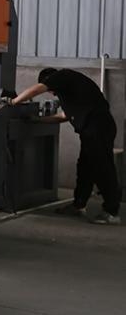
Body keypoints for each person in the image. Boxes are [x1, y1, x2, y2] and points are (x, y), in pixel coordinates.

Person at [11, 68, 121, 224]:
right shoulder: (69, 90)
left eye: (50, 90)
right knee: (85, 169)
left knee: (102, 168)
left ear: (49, 81)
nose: (52, 94)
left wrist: (13, 102)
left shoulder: (63, 76)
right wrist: (38, 120)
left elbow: (36, 90)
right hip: (90, 131)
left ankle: (112, 212)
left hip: (98, 128)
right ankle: (79, 205)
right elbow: (64, 116)